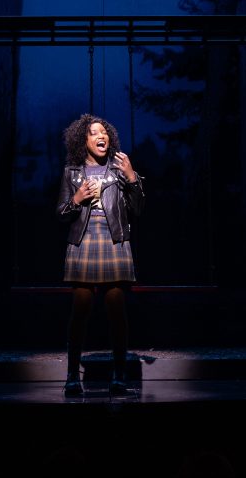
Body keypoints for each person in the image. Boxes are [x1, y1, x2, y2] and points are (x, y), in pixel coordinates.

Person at [56, 114, 145, 396]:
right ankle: (72, 376)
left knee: (116, 311)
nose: (101, 135)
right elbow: (60, 213)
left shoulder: (120, 171)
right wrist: (77, 199)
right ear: (83, 140)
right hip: (83, 243)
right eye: (94, 132)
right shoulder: (72, 172)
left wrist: (132, 177)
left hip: (114, 241)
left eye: (104, 131)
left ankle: (119, 376)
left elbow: (138, 209)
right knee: (80, 310)